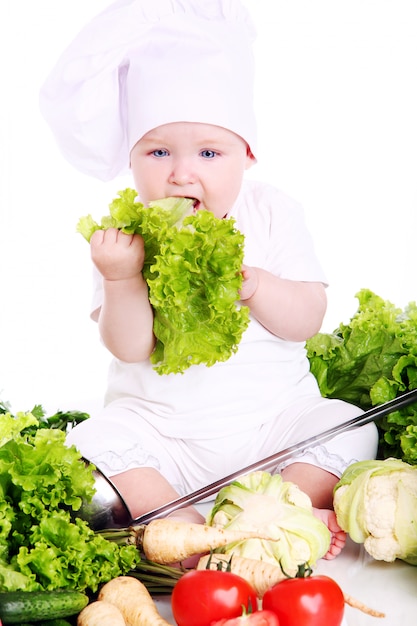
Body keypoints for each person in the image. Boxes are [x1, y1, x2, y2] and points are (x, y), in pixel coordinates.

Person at [40, 0, 378, 561]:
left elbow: (307, 320)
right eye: (158, 151)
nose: (181, 171)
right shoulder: (123, 237)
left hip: (276, 426)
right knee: (93, 442)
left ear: (247, 156)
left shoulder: (272, 213)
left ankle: (289, 503)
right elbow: (129, 346)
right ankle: (195, 528)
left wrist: (256, 287)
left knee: (346, 423)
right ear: (131, 160)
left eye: (209, 151)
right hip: (163, 437)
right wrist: (122, 278)